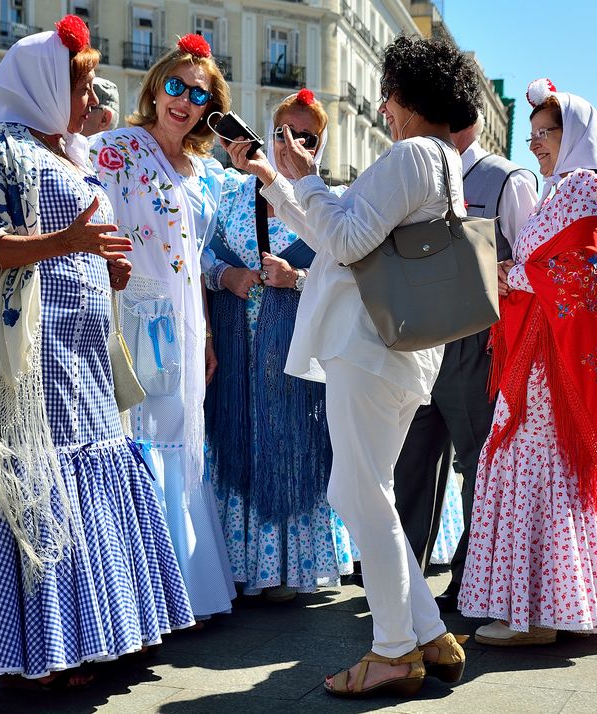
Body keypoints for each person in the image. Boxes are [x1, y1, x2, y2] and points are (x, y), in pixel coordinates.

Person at [0, 16, 193, 688]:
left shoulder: (69, 152)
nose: (89, 98)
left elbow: (80, 240)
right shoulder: (1, 151)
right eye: (79, 86)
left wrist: (108, 270)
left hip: (85, 344)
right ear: (45, 84)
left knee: (94, 472)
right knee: (44, 482)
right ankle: (40, 652)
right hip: (33, 351)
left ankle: (94, 635)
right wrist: (65, 246)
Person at [223, 35, 478, 698]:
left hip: (367, 348)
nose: (382, 105)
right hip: (395, 352)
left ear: (409, 95)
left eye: (388, 92)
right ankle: (425, 631)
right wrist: (276, 180)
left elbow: (342, 238)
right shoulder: (439, 159)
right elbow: (340, 242)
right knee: (365, 492)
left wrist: (300, 178)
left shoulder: (409, 156)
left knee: (358, 493)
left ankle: (395, 648)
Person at [457, 82, 597, 645]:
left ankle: (531, 615)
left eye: (548, 133)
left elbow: (575, 269)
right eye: (532, 134)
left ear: (577, 136)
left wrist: (507, 275)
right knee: (545, 467)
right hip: (541, 349)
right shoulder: (569, 187)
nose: (536, 144)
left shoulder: (582, 186)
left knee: (527, 463)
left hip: (545, 356)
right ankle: (556, 605)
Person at [90, 34, 236, 620]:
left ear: (210, 108)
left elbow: (198, 259)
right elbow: (89, 225)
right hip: (131, 313)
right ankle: (140, 594)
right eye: (174, 85)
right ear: (154, 90)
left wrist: (206, 332)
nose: (183, 99)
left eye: (198, 93)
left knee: (183, 439)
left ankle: (183, 587)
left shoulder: (208, 174)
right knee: (140, 435)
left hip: (186, 319)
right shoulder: (114, 150)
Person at [203, 88, 354, 600]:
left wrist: (298, 278)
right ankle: (243, 566)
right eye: (283, 132)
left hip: (299, 356)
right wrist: (228, 276)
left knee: (294, 446)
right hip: (238, 353)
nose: (292, 143)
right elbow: (196, 255)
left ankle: (288, 569)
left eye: (306, 135)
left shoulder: (329, 202)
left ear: (321, 144)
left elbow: (352, 276)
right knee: (240, 442)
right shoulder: (228, 193)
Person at [392, 109, 539, 599]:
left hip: (479, 340)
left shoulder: (506, 179)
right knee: (410, 461)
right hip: (419, 337)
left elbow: (531, 264)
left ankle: (471, 580)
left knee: (478, 461)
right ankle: (402, 579)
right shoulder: (412, 169)